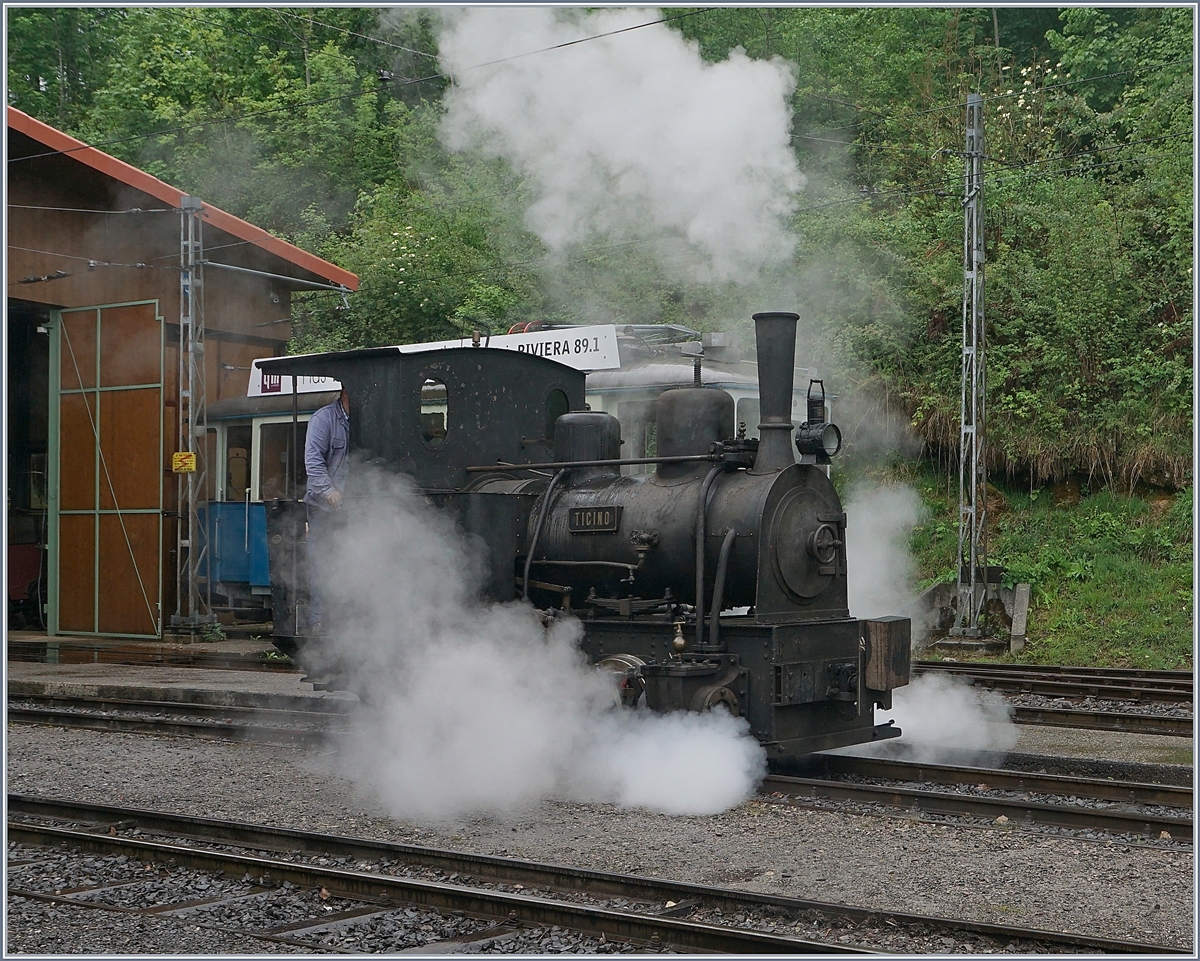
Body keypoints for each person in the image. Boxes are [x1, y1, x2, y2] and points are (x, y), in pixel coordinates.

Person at [303, 386, 350, 632]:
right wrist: (329, 491)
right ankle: (318, 620)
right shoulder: (323, 419)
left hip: (353, 506)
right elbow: (313, 460)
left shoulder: (363, 421)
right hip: (323, 506)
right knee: (322, 562)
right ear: (345, 394)